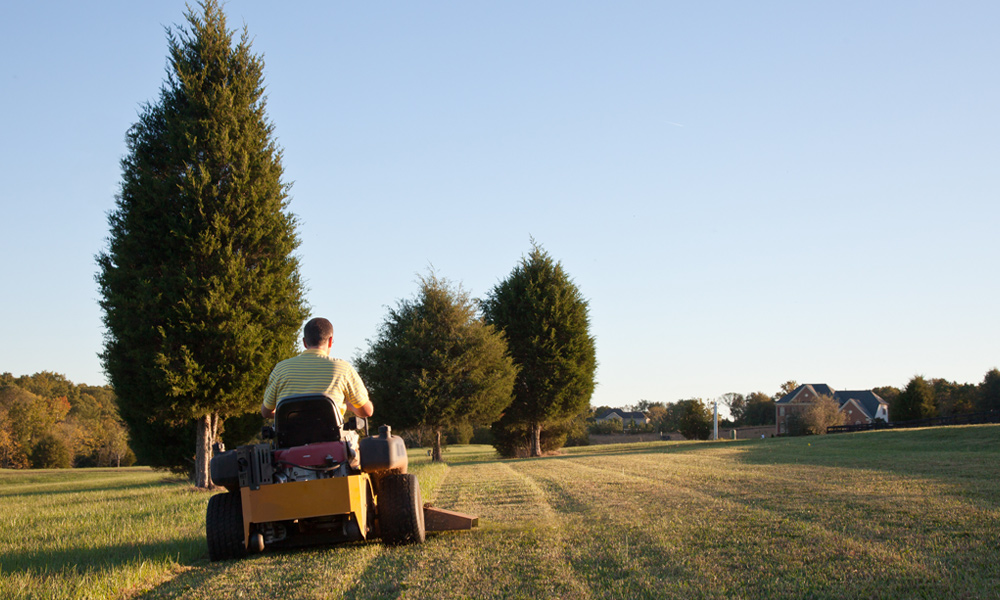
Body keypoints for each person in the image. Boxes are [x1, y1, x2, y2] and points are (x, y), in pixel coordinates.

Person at [261, 317, 374, 420]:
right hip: (331, 435)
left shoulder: (281, 368)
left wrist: (291, 416)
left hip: (289, 436)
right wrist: (351, 407)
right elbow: (367, 411)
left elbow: (266, 412)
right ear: (330, 341)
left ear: (304, 342)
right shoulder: (343, 369)